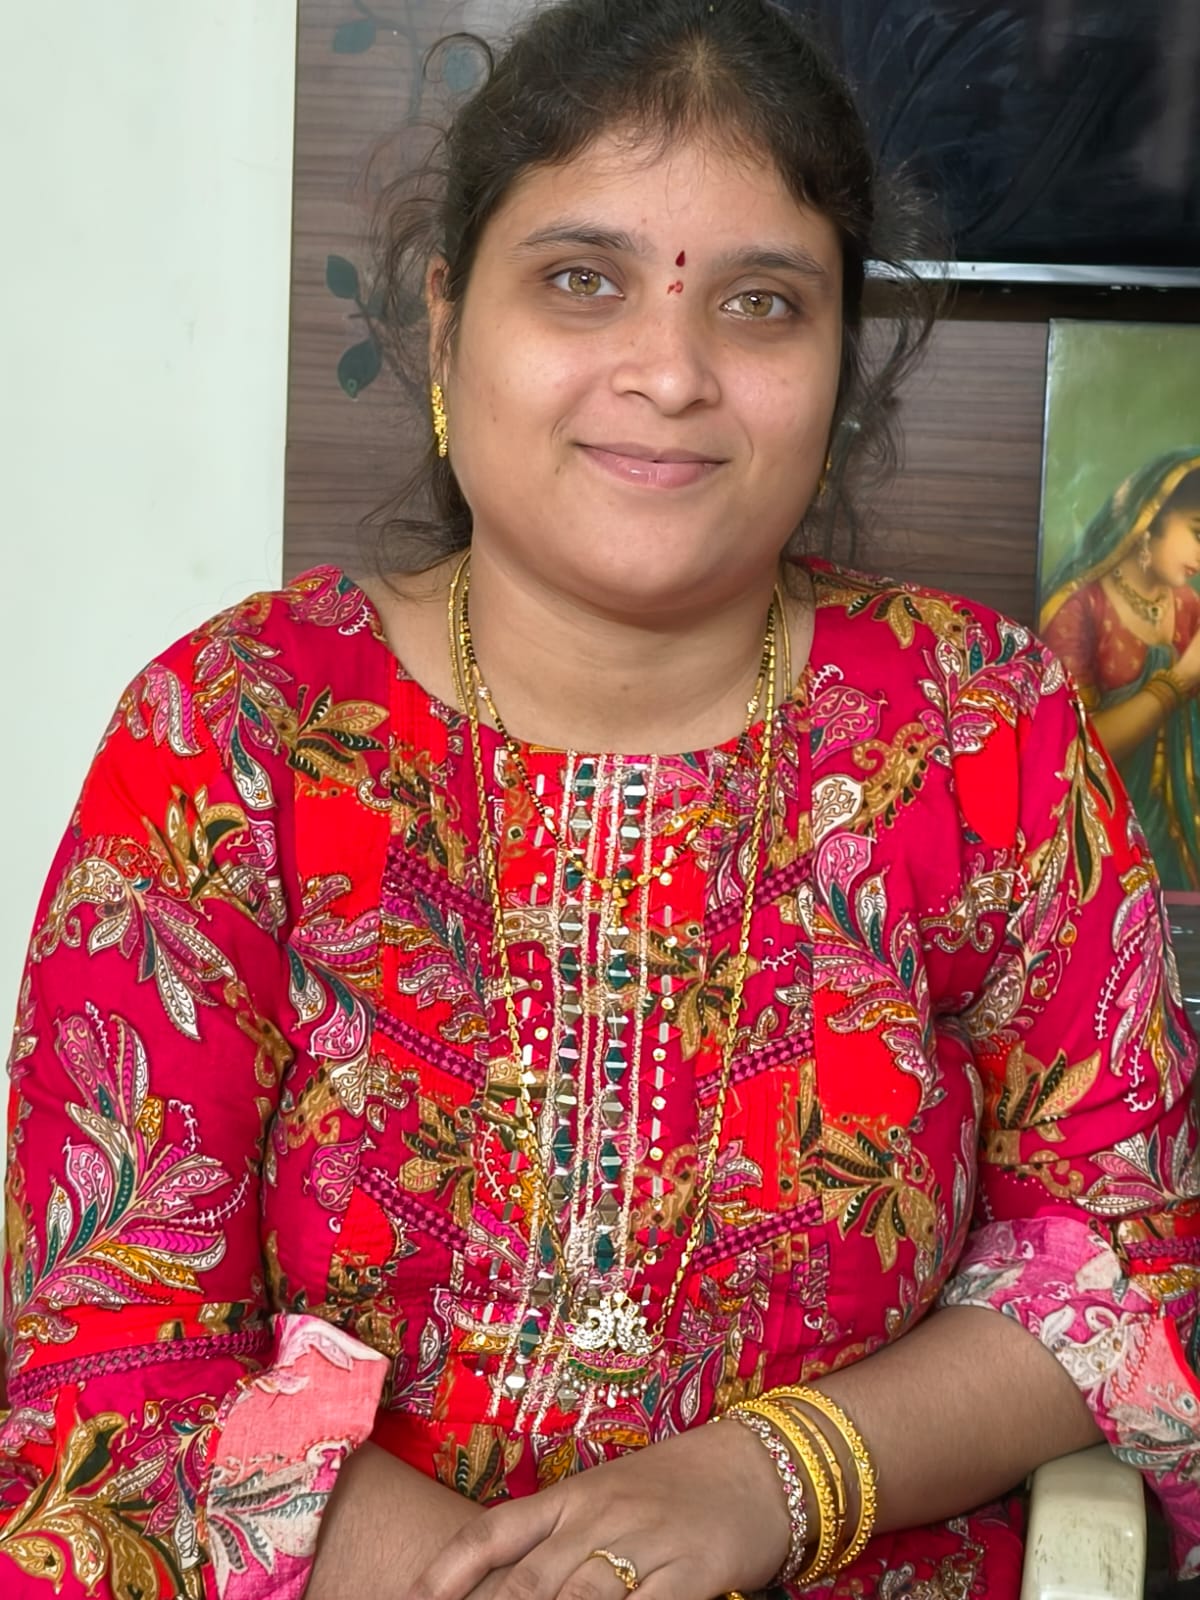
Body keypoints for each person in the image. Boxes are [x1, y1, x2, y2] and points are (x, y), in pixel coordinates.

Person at [3, 3, 1198, 1598]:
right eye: (583, 279)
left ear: (838, 364)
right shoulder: (237, 733)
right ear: (447, 322)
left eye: (762, 304)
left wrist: (770, 1479)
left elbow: (1116, 1263)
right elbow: (112, 1355)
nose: (671, 371)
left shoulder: (986, 732)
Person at [1040, 451, 1200, 891]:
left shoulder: (1188, 607)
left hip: (1180, 840)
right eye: (1198, 533)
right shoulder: (1079, 608)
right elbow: (1069, 745)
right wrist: (1179, 681)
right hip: (1100, 836)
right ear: (1148, 518)